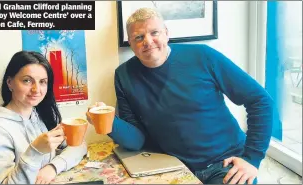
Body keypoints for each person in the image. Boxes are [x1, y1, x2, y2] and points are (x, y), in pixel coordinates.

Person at [89, 8, 274, 184]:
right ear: (130, 42)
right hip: (173, 167)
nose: (148, 41)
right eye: (139, 37)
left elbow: (260, 100)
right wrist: (107, 121)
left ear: (166, 33)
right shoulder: (124, 75)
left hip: (225, 163)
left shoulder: (203, 56)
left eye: (154, 33)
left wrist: (252, 159)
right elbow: (137, 140)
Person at [0, 51, 87, 184]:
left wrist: (52, 168)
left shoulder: (40, 115)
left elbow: (79, 145)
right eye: (27, 80)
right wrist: (35, 152)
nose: (36, 89)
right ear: (10, 82)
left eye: (42, 82)